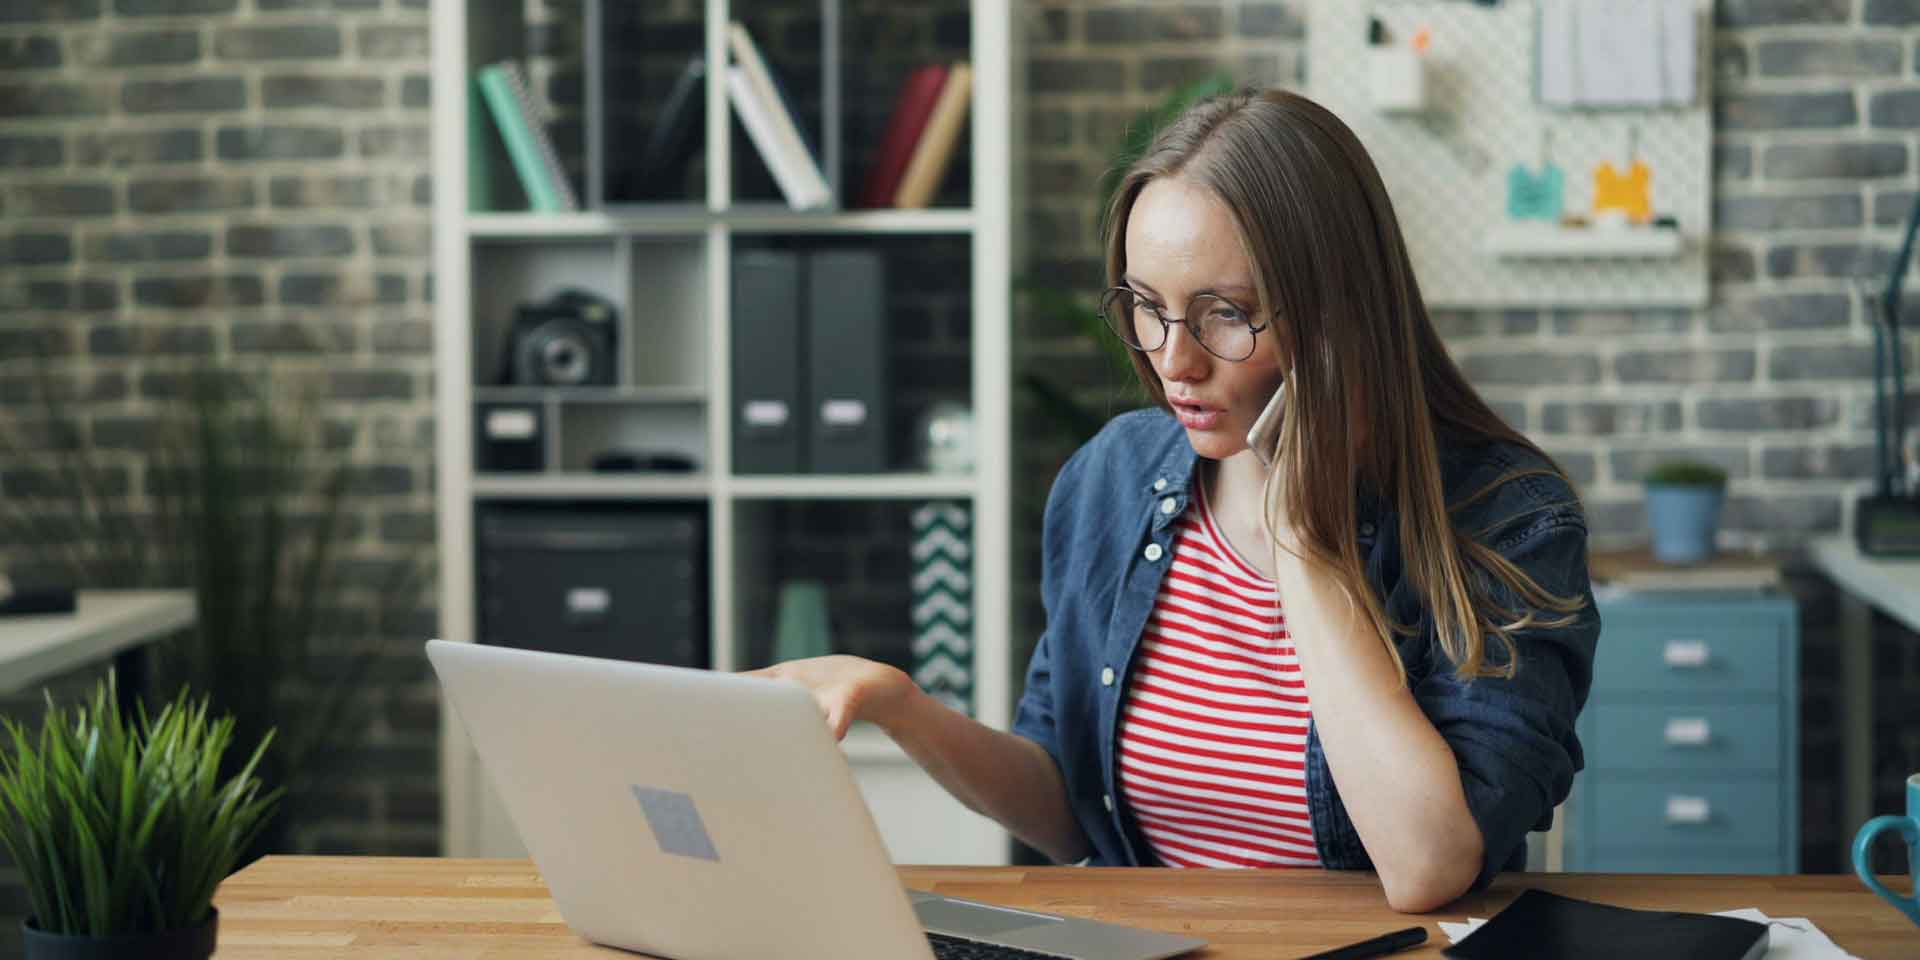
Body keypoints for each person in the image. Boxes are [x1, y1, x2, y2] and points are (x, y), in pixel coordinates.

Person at [750, 88, 1599, 914]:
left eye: (1224, 314)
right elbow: (1065, 808)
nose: (1173, 362)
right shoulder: (1113, 475)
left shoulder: (1502, 516)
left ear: (1341, 315)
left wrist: (1302, 538)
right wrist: (903, 706)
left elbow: (1428, 866)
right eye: (1145, 309)